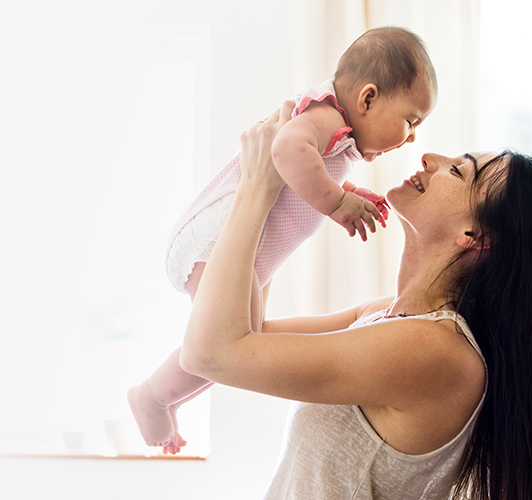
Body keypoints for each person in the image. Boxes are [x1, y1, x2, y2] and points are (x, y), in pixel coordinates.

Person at [180, 102, 532, 499]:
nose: (429, 156)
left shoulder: (434, 350)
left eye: (458, 171)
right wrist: (283, 201)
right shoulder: (386, 317)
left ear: (473, 237)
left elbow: (213, 353)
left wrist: (255, 187)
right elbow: (247, 331)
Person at [128, 26, 437, 451]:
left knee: (239, 342)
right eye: (411, 121)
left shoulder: (338, 133)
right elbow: (286, 150)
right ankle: (151, 398)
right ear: (367, 98)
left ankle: (162, 398)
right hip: (217, 235)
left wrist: (345, 195)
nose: (413, 137)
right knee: (227, 344)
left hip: (242, 247)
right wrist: (335, 202)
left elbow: (304, 177)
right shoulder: (327, 116)